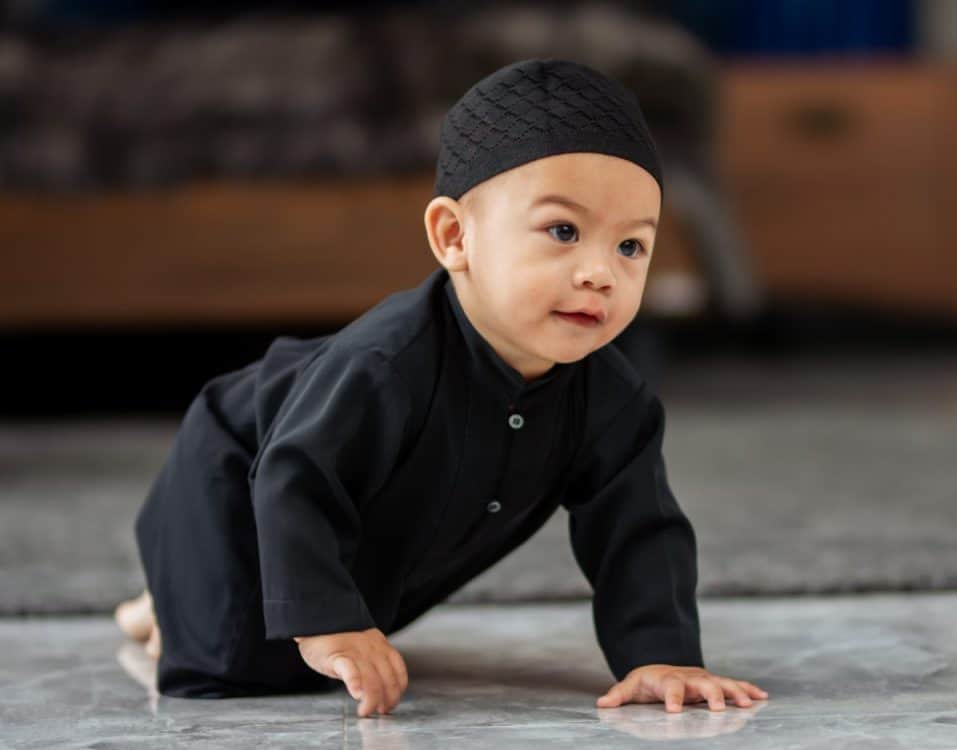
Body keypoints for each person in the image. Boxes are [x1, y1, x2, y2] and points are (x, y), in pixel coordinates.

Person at [114, 57, 768, 718]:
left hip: (376, 515)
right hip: (244, 465)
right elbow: (297, 479)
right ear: (454, 236)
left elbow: (639, 529)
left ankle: (183, 595)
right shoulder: (386, 363)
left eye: (631, 247)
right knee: (235, 662)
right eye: (563, 232)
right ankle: (172, 599)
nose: (601, 272)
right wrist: (329, 623)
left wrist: (660, 653)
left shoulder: (612, 400)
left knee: (366, 602)